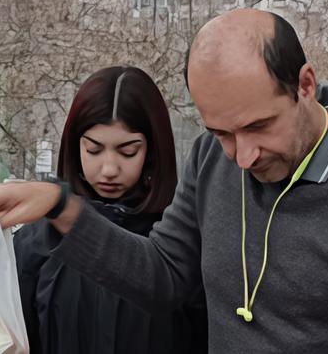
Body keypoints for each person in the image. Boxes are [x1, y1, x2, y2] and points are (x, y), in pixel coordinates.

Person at [0, 9, 328, 353]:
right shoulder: (209, 161)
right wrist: (63, 207)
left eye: (258, 127)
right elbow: (162, 275)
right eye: (221, 132)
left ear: (304, 85)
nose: (243, 156)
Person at [12, 66, 207, 353]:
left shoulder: (180, 243)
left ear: (153, 151)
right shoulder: (35, 243)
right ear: (74, 146)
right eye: (93, 150)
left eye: (128, 151)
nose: (109, 169)